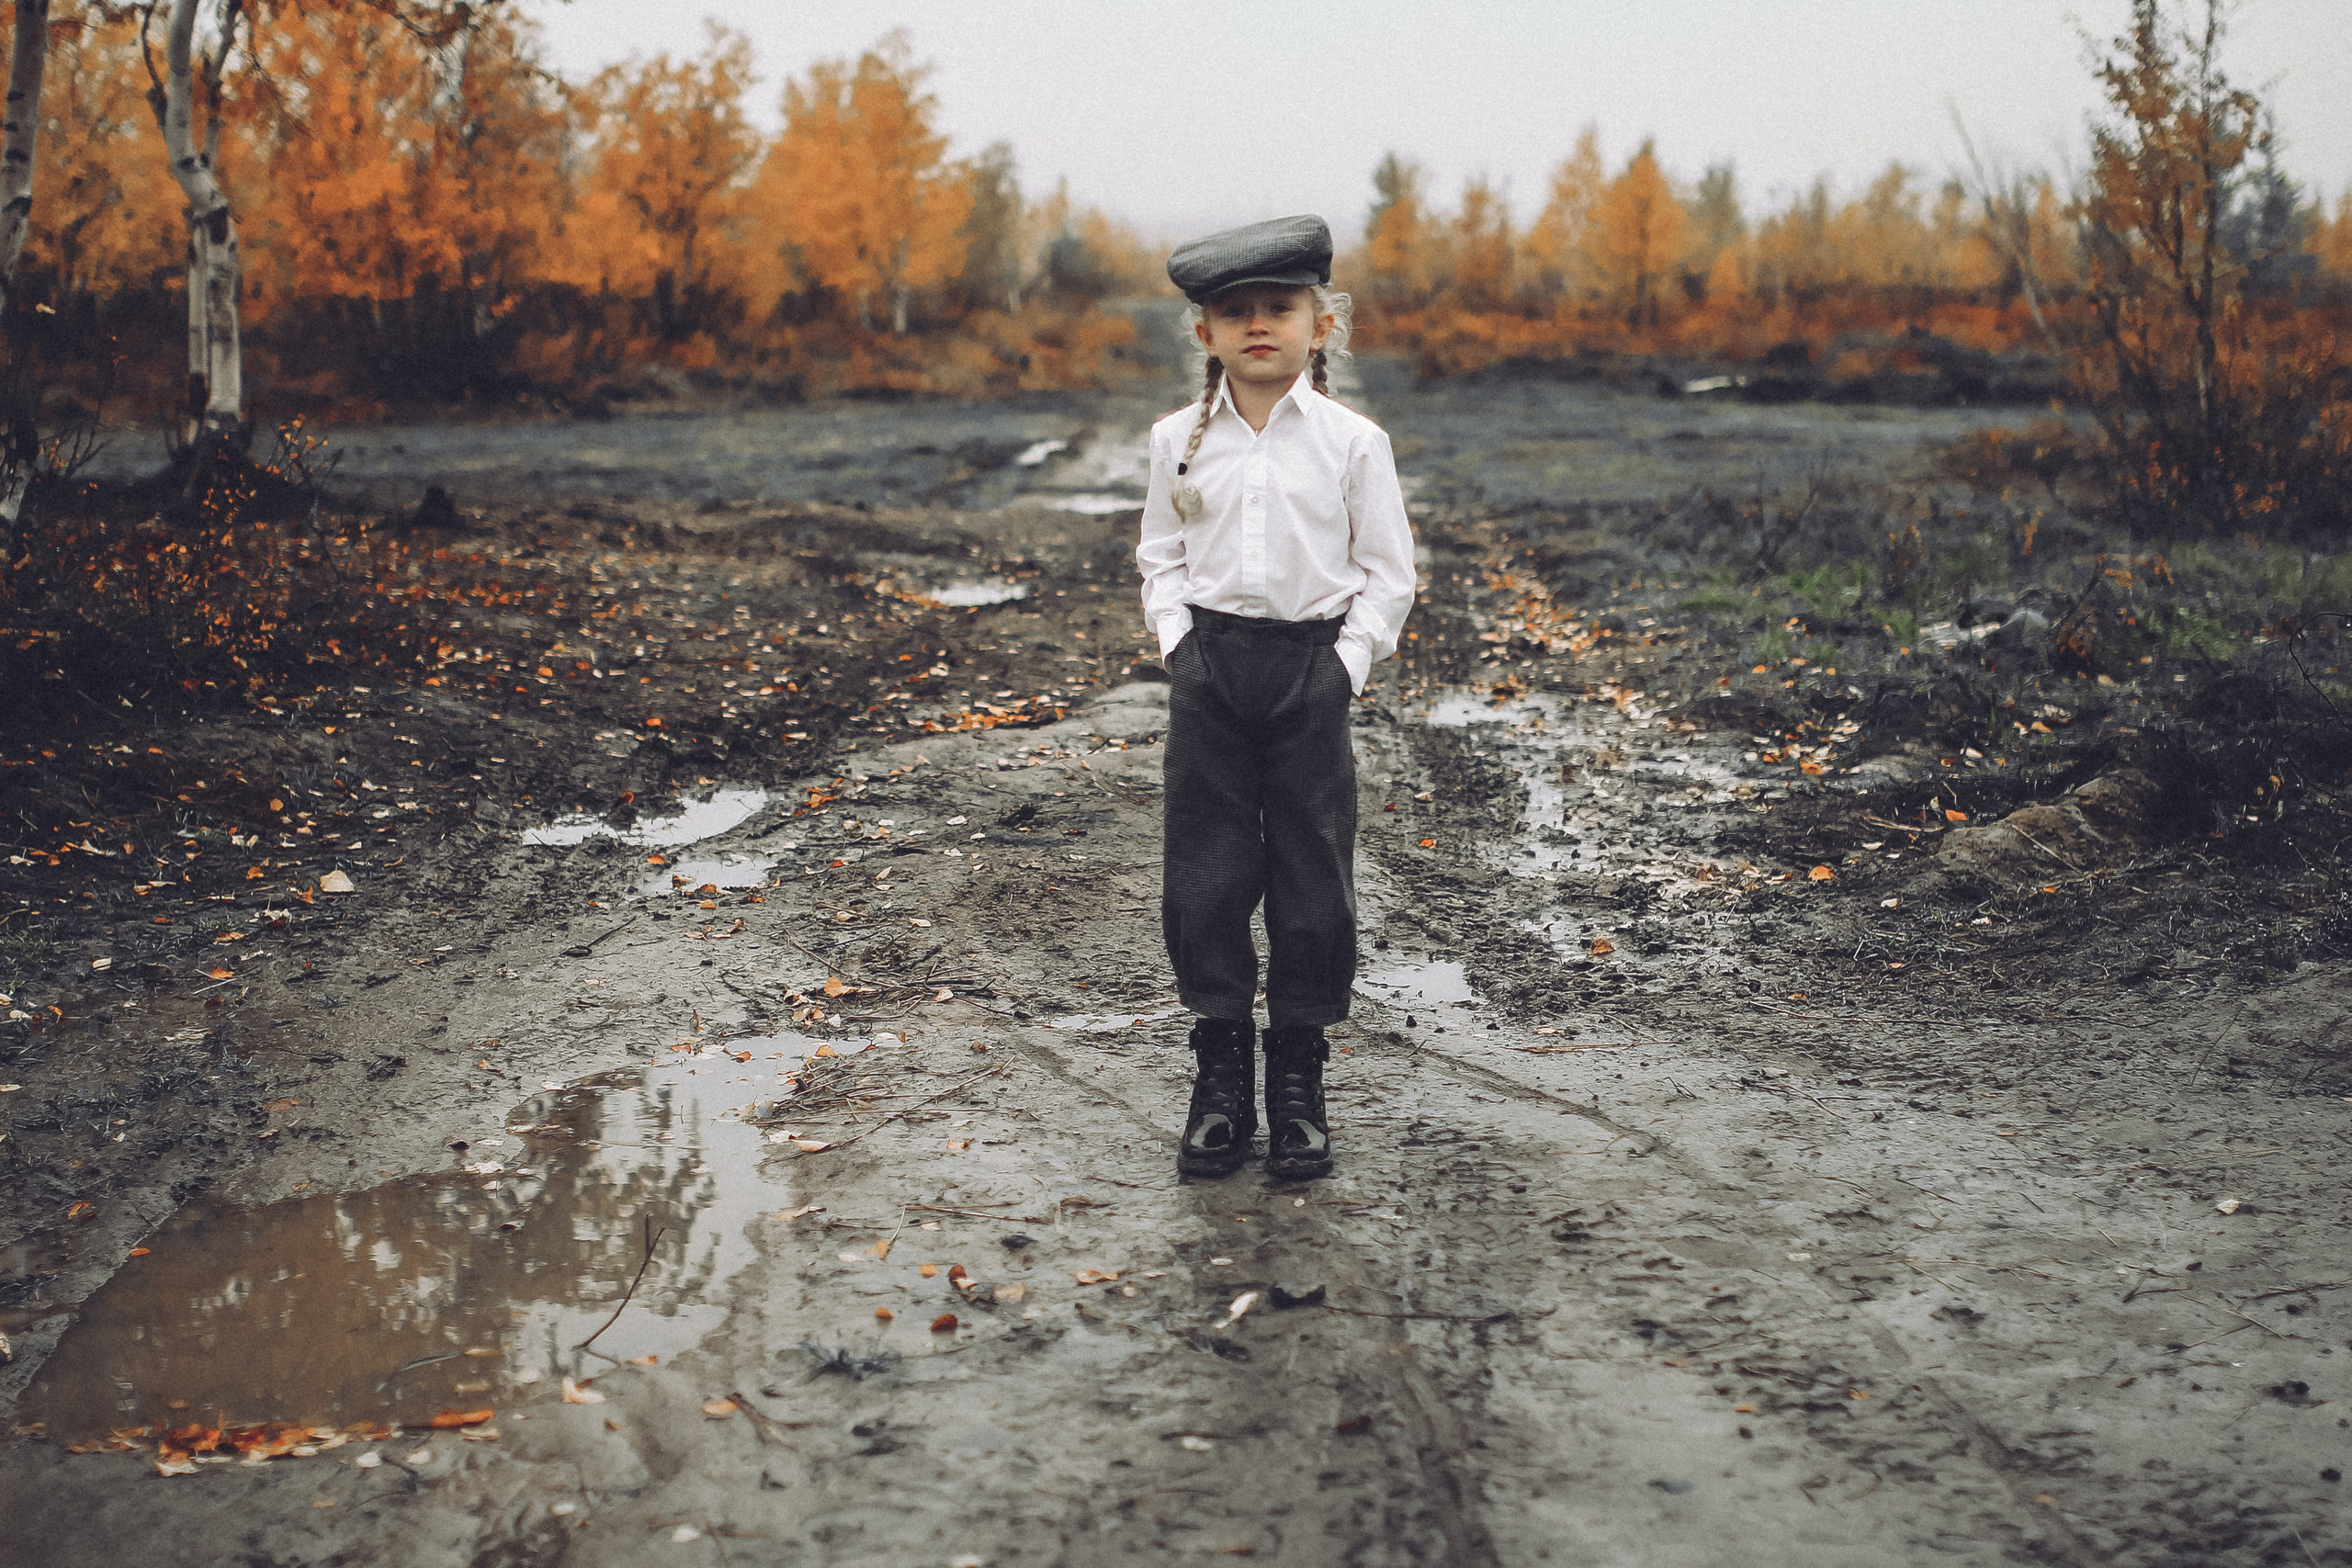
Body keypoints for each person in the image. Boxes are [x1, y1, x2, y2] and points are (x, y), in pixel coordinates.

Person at [1136, 213, 1417, 1181]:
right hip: (1210, 671)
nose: (1259, 326)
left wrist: (1343, 667)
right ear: (1205, 334)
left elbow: (1388, 573)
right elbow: (1159, 556)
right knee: (1205, 877)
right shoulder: (1177, 440)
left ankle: (1298, 1075)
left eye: (1279, 308)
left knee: (1311, 878)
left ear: (1319, 324)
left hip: (1310, 674)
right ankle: (1220, 1077)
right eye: (1234, 312)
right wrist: (1180, 649)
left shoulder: (1351, 443)